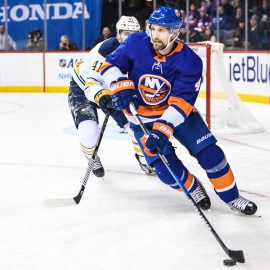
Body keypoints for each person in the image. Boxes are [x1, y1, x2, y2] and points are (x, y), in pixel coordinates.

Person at [100, 6, 258, 215]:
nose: (155, 35)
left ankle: (232, 197)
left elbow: (182, 102)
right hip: (141, 119)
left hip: (178, 116)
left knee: (212, 156)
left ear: (175, 32)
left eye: (162, 31)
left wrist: (162, 130)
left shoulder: (190, 61)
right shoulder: (135, 42)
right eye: (153, 29)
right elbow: (109, 65)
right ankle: (194, 189)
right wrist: (119, 85)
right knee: (165, 170)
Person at [68, 16, 154, 178]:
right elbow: (91, 82)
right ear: (118, 34)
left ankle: (145, 159)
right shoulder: (105, 50)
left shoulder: (143, 49)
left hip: (114, 89)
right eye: (126, 33)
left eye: (134, 33)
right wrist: (100, 95)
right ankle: (91, 157)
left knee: (135, 126)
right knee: (88, 129)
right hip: (83, 87)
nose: (130, 37)